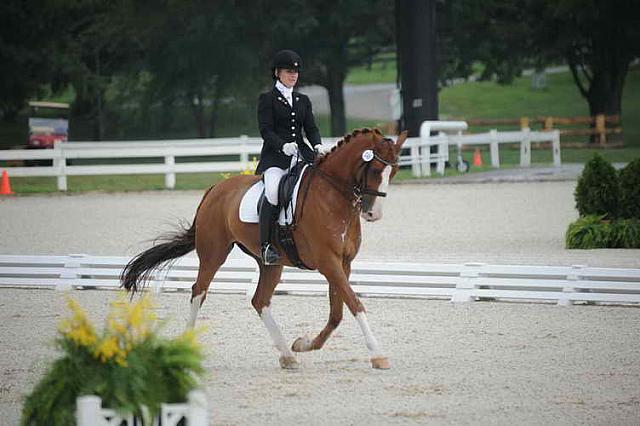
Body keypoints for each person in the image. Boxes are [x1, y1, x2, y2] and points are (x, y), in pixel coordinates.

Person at [256, 49, 330, 265]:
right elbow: (266, 131)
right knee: (272, 192)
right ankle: (266, 246)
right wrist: (282, 146)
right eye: (289, 71)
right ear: (278, 73)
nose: (294, 75)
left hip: (302, 155)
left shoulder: (302, 100)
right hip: (276, 159)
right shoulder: (267, 99)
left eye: (296, 72)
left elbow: (311, 128)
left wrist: (317, 145)